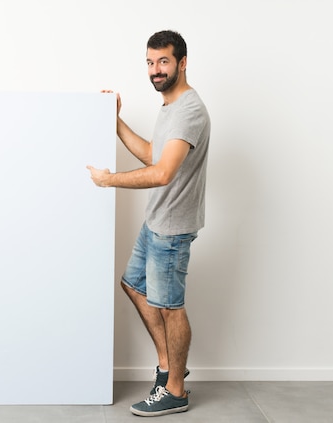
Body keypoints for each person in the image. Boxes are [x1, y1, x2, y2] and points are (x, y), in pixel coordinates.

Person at [87, 30, 210, 417]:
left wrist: (109, 181)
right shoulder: (169, 106)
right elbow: (154, 154)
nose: (156, 70)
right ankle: (166, 365)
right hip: (157, 220)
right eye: (150, 62)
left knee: (171, 307)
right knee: (133, 284)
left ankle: (176, 390)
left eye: (164, 61)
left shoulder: (189, 110)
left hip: (171, 228)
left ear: (182, 62)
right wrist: (116, 121)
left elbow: (162, 174)